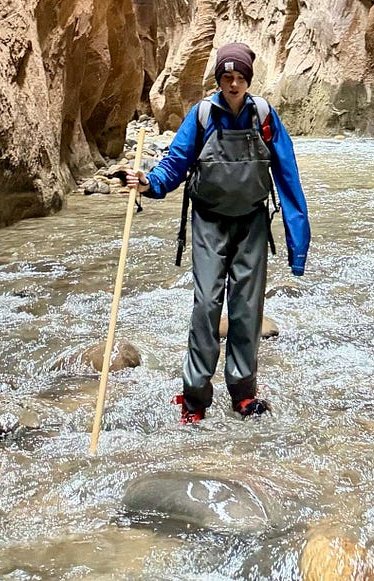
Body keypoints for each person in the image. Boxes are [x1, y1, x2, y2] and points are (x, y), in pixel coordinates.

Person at [128, 41, 309, 423]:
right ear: (218, 80)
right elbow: (176, 162)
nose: (233, 84)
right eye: (227, 77)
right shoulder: (203, 116)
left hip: (252, 224)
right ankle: (195, 399)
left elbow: (288, 175)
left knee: (246, 309)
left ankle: (243, 394)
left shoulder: (263, 115)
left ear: (248, 80)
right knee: (206, 306)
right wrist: (149, 183)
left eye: (240, 77)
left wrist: (298, 245)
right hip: (209, 222)